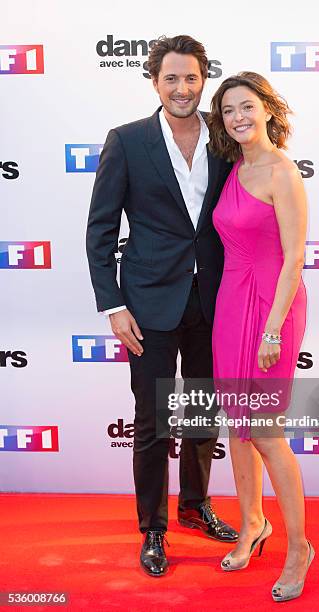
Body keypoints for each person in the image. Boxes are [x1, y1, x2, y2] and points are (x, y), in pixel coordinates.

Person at [86, 35, 238, 578]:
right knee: (152, 420)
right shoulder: (126, 140)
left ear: (204, 79)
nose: (182, 88)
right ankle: (153, 525)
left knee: (202, 411)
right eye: (171, 78)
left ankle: (196, 507)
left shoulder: (225, 138)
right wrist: (112, 304)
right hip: (148, 301)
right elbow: (101, 228)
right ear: (155, 81)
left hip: (213, 300)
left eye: (192, 78)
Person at [209, 72, 314, 602]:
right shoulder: (233, 168)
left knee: (267, 433)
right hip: (231, 304)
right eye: (228, 110)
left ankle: (299, 547)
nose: (238, 117)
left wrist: (273, 327)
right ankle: (252, 523)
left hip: (273, 307)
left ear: (268, 110)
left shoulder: (282, 171)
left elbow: (295, 256)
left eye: (246, 106)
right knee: (238, 427)